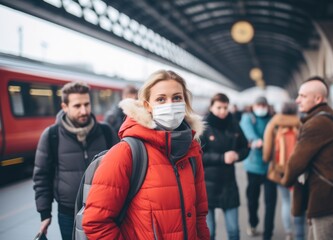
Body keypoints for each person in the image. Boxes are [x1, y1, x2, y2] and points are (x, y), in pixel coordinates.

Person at [82, 70, 210, 239]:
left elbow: (199, 214)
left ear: (185, 102)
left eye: (177, 98)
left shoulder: (192, 151)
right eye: (161, 99)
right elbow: (96, 222)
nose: (170, 105)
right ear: (147, 105)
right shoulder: (126, 153)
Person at [33, 81, 118, 240]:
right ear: (64, 107)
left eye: (87, 104)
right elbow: (42, 176)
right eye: (77, 106)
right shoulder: (52, 135)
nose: (84, 111)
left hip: (106, 210)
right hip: (68, 214)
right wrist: (45, 213)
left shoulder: (106, 132)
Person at [281, 76, 333, 240]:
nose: (297, 100)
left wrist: (285, 181)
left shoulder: (317, 123)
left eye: (303, 96)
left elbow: (296, 162)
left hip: (325, 199)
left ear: (318, 98)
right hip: (331, 195)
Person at [200, 93, 249, 240]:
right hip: (207, 186)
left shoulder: (233, 124)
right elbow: (198, 156)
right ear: (211, 107)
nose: (222, 111)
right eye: (219, 107)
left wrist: (238, 156)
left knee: (234, 231)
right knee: (210, 232)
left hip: (229, 184)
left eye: (225, 107)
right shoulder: (203, 127)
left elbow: (245, 147)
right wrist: (222, 158)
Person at [263, 101, 305, 240]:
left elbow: (267, 149)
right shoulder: (301, 123)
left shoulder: (274, 123)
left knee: (286, 201)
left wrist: (267, 159)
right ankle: (300, 234)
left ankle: (288, 232)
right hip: (299, 170)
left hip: (280, 169)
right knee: (299, 201)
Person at [240, 96, 277, 240]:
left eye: (263, 105)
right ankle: (253, 222)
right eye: (258, 105)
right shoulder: (247, 117)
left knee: (270, 201)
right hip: (253, 166)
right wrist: (256, 141)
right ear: (253, 106)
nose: (261, 107)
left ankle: (268, 233)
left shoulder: (273, 118)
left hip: (270, 166)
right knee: (252, 199)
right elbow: (248, 132)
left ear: (267, 106)